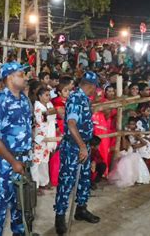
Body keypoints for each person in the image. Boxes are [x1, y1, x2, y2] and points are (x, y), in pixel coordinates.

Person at [0, 62, 32, 236]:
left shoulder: (25, 100)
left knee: (21, 205)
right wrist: (13, 162)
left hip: (23, 160)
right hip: (5, 163)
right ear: (10, 77)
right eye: (21, 74)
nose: (25, 77)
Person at [54, 72, 100, 235]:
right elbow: (71, 124)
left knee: (84, 179)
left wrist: (90, 138)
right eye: (95, 88)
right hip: (73, 147)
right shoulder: (75, 99)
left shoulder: (85, 99)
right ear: (90, 86)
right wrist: (81, 146)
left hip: (84, 145)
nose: (95, 92)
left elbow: (82, 123)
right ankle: (59, 218)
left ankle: (81, 209)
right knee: (67, 181)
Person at [32, 87, 57, 194]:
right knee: (36, 161)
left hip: (48, 135)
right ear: (40, 96)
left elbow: (52, 118)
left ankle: (44, 182)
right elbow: (40, 121)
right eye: (46, 95)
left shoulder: (50, 104)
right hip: (39, 137)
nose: (48, 97)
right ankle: (35, 186)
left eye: (49, 95)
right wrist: (48, 113)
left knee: (45, 160)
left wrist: (49, 113)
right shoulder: (37, 106)